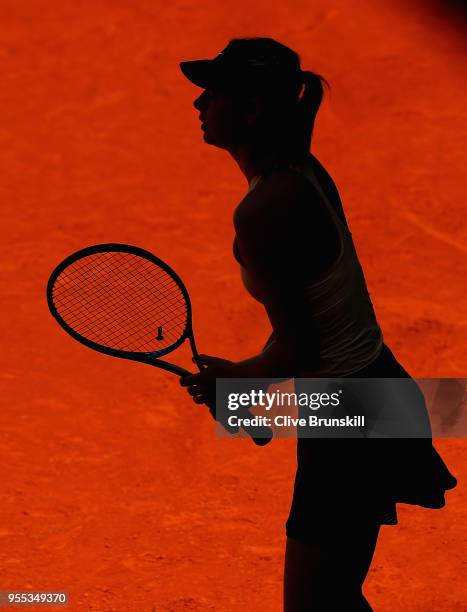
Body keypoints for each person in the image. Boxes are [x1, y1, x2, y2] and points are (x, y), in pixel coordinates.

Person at [178, 37, 457, 611]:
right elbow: (310, 341)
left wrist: (238, 387)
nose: (199, 102)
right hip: (371, 395)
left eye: (215, 92)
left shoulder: (265, 209)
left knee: (315, 605)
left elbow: (303, 348)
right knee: (331, 600)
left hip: (353, 417)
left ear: (252, 110)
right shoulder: (300, 169)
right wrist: (243, 396)